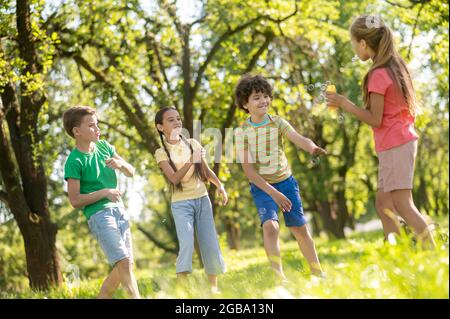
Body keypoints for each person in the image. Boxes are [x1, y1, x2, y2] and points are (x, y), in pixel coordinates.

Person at [326, 15, 436, 248]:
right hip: (396, 143)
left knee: (402, 203)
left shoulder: (378, 74)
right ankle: (396, 257)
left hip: (396, 144)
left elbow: (375, 119)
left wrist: (345, 103)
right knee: (383, 203)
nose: (355, 49)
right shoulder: (395, 66)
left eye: (354, 44)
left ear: (363, 43)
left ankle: (434, 255)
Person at [234, 74, 327, 280]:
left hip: (286, 182)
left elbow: (298, 138)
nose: (264, 100)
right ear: (245, 104)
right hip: (262, 187)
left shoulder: (277, 122)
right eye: (257, 97)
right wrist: (273, 193)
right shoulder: (242, 133)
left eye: (266, 96)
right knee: (270, 226)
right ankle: (279, 278)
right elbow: (249, 172)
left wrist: (311, 147)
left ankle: (317, 272)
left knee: (299, 228)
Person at [63, 106, 141, 298]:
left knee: (127, 264)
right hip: (99, 215)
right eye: (92, 125)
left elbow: (131, 171)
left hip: (119, 211)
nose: (97, 129)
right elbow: (74, 200)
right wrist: (104, 192)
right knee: (123, 262)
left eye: (97, 124)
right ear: (77, 131)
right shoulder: (74, 161)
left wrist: (121, 164)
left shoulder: (105, 147)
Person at [154, 107, 227, 293]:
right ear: (160, 127)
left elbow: (205, 170)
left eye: (178, 118)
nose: (177, 121)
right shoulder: (161, 152)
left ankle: (213, 289)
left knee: (210, 241)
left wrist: (219, 185)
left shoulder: (193, 143)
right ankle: (181, 291)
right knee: (186, 243)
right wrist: (191, 160)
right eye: (171, 120)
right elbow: (174, 178)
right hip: (181, 204)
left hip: (202, 199)